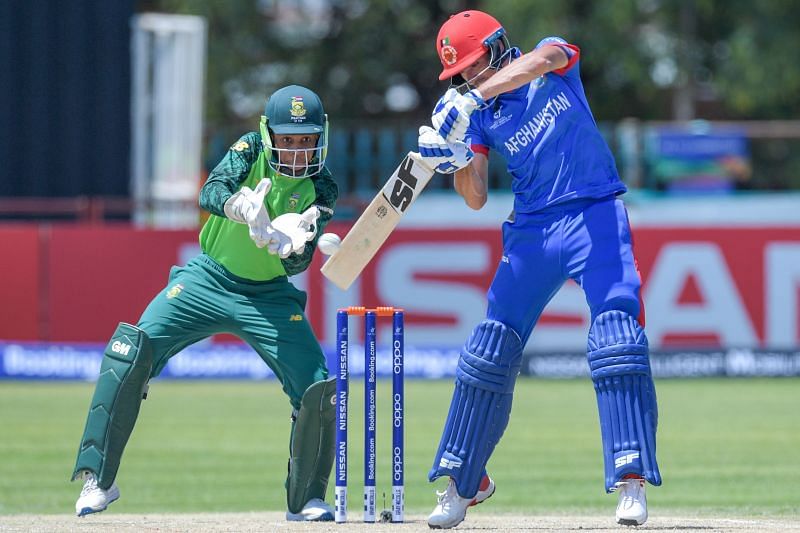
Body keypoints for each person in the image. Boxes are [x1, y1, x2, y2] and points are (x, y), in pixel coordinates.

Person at [416, 10, 662, 529]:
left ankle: (630, 479)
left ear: (499, 46)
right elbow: (476, 198)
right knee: (489, 348)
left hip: (593, 211)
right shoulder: (477, 112)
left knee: (616, 336)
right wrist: (455, 156)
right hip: (532, 231)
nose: (469, 79)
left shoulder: (549, 58)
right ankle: (464, 483)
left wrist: (473, 97)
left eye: (475, 66)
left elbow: (540, 62)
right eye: (460, 75)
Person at [71, 85, 340, 522]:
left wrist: (291, 245)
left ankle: (307, 497)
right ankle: (98, 480)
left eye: (306, 140)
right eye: (288, 140)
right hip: (207, 279)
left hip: (268, 296)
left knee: (316, 385)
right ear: (269, 133)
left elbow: (299, 263)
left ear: (320, 136)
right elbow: (211, 190)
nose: (296, 150)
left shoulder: (322, 185)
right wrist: (242, 207)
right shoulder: (250, 148)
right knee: (129, 351)